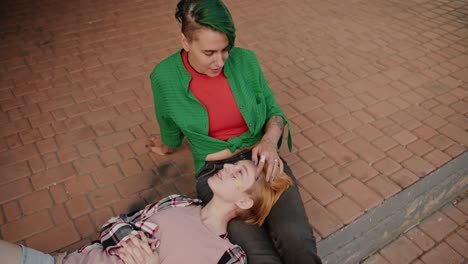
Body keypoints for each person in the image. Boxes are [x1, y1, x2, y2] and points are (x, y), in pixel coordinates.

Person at [147, 1, 322, 263]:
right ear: (185, 41)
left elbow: (275, 112)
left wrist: (270, 141)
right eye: (209, 52)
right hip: (215, 173)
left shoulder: (246, 61)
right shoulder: (164, 77)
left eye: (225, 49)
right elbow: (168, 123)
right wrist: (168, 145)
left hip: (261, 159)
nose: (219, 61)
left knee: (297, 239)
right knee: (255, 254)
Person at [0, 160, 291, 264]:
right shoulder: (179, 202)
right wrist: (125, 237)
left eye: (238, 173)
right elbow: (114, 224)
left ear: (243, 203)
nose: (227, 167)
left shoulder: (229, 257)